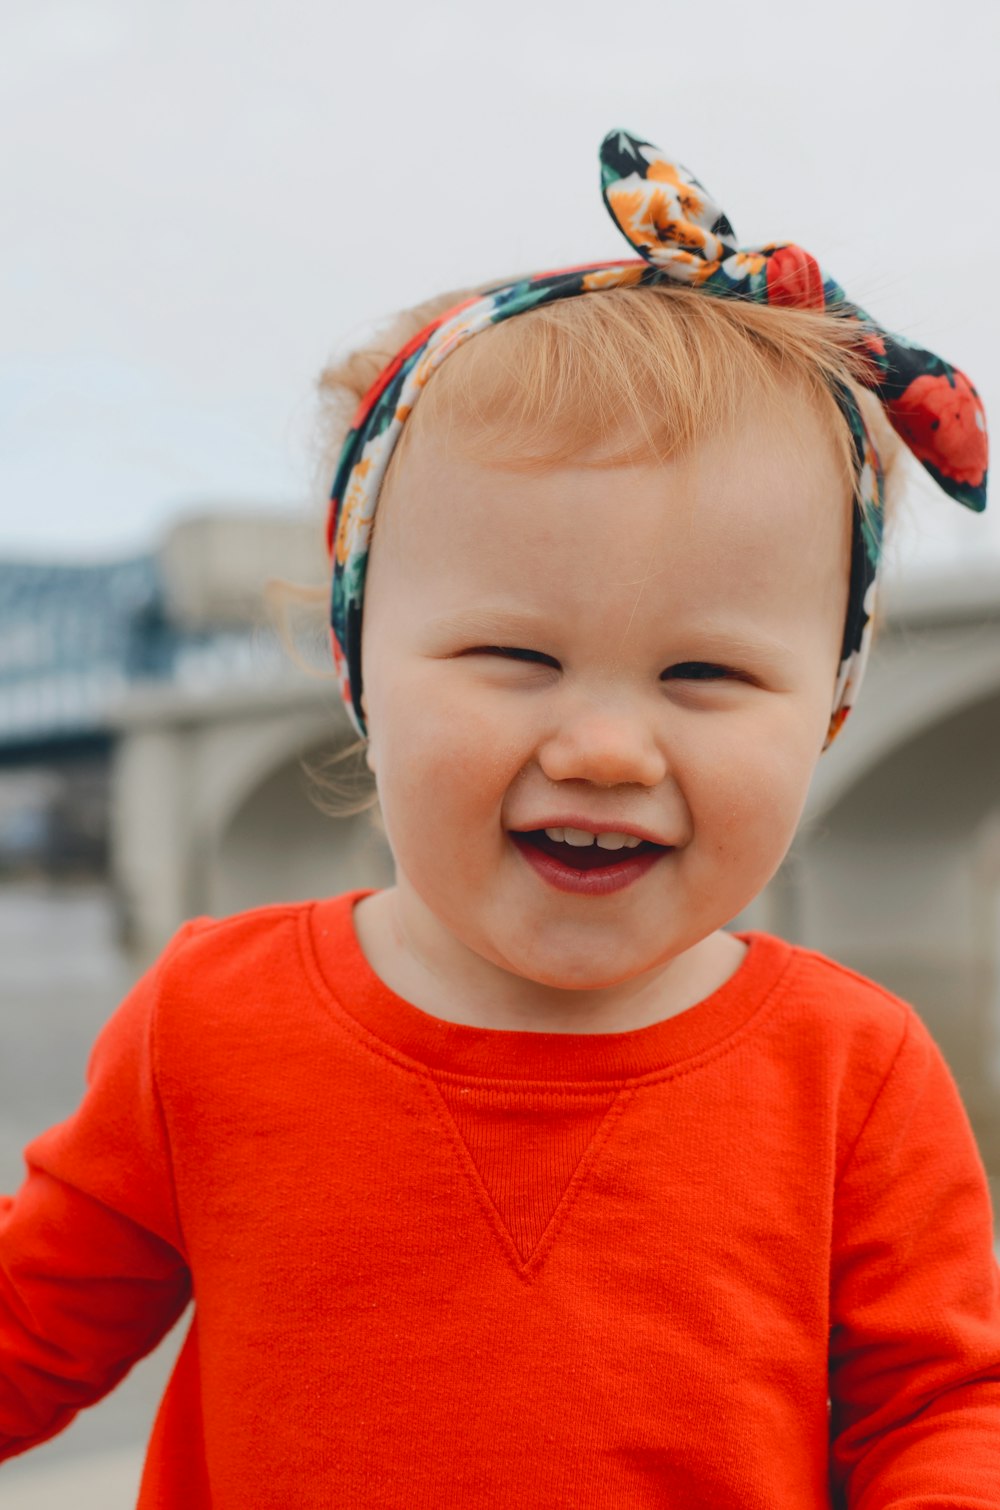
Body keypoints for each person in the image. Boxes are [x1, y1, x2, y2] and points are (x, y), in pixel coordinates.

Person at [1, 129, 996, 1507]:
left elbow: (939, 1408)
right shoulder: (207, 1027)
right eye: (514, 660)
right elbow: (26, 1333)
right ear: (358, 666)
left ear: (827, 704)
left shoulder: (855, 1070)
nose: (600, 746)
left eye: (704, 673)